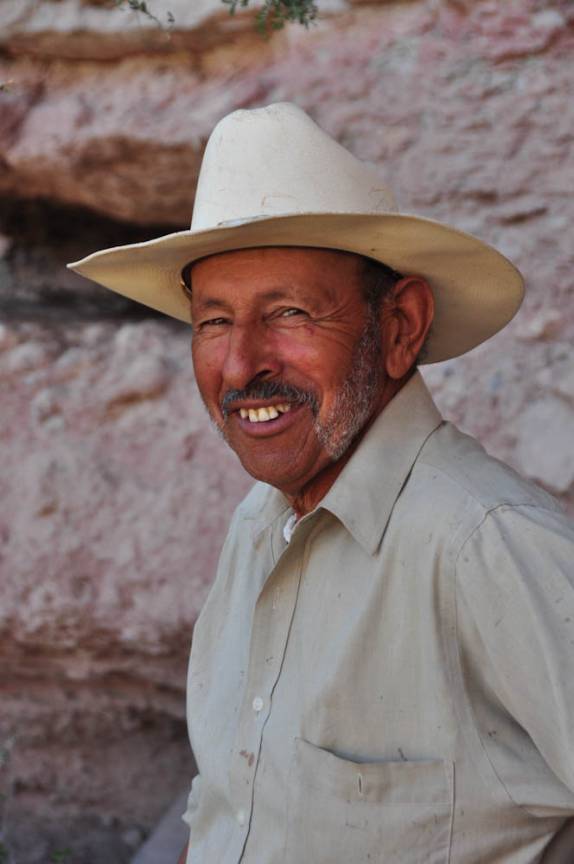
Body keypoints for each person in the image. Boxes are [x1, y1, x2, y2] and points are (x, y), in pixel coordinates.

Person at [69, 103, 574, 864]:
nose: (241, 365)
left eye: (290, 312)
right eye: (212, 322)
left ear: (400, 326)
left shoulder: (487, 545)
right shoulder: (256, 526)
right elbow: (231, 809)